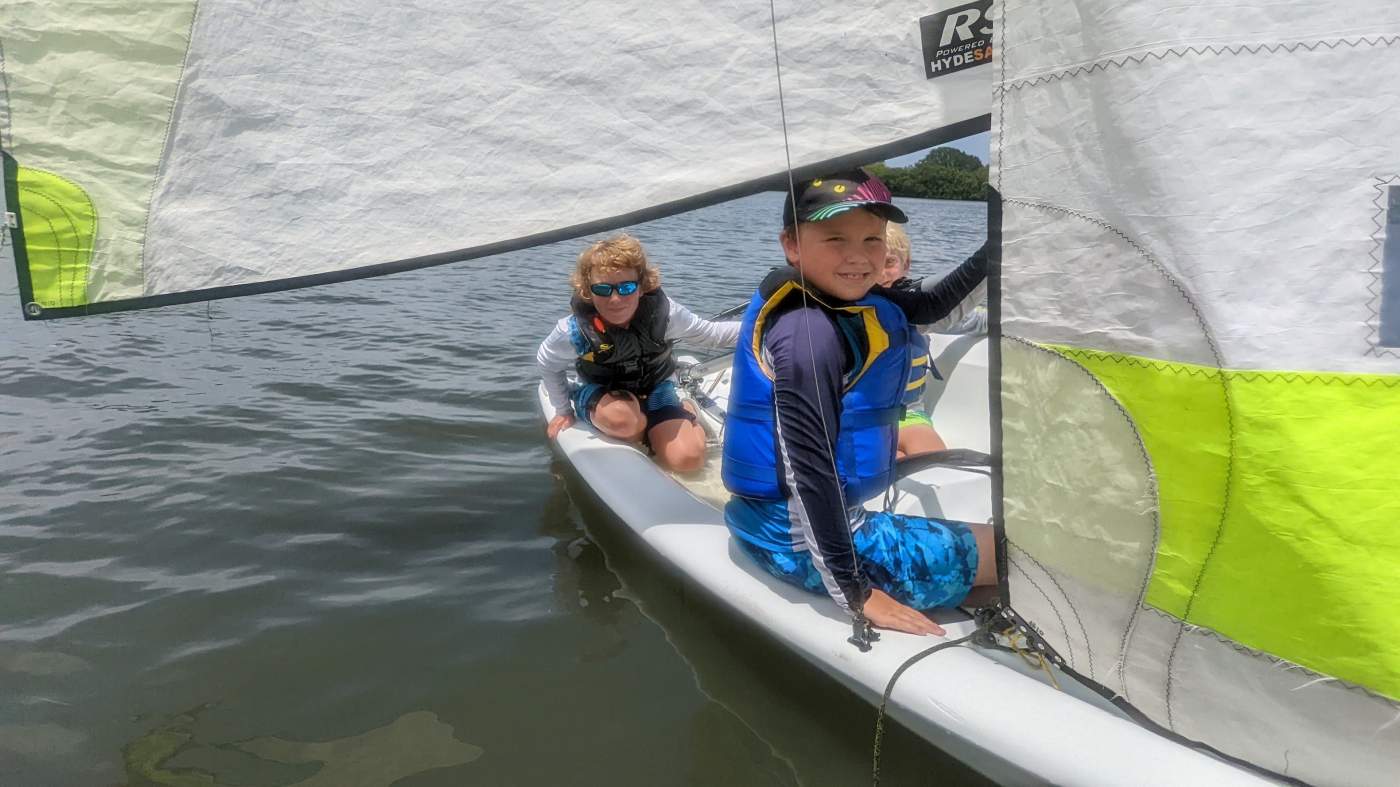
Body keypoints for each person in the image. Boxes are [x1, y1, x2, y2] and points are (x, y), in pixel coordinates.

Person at [721, 169, 997, 637]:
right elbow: (808, 469)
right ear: (791, 245)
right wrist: (856, 592)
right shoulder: (807, 335)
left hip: (778, 524)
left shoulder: (841, 296)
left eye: (872, 239)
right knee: (1022, 555)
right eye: (835, 238)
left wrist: (1002, 241)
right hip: (799, 542)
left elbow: (930, 307)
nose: (858, 256)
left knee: (1000, 563)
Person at [538, 234, 740, 472]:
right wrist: (563, 410)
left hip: (656, 387)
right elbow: (548, 363)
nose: (615, 299)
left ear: (642, 287)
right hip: (604, 393)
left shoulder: (666, 315)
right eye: (603, 289)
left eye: (626, 287)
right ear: (587, 291)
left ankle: (684, 408)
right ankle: (643, 426)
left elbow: (713, 334)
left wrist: (767, 325)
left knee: (687, 460)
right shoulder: (572, 331)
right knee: (624, 421)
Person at [878, 223, 947, 459]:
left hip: (910, 416)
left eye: (889, 263)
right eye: (874, 264)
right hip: (866, 419)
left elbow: (971, 320)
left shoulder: (922, 310)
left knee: (934, 460)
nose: (881, 273)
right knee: (888, 459)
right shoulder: (850, 310)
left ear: (905, 265)